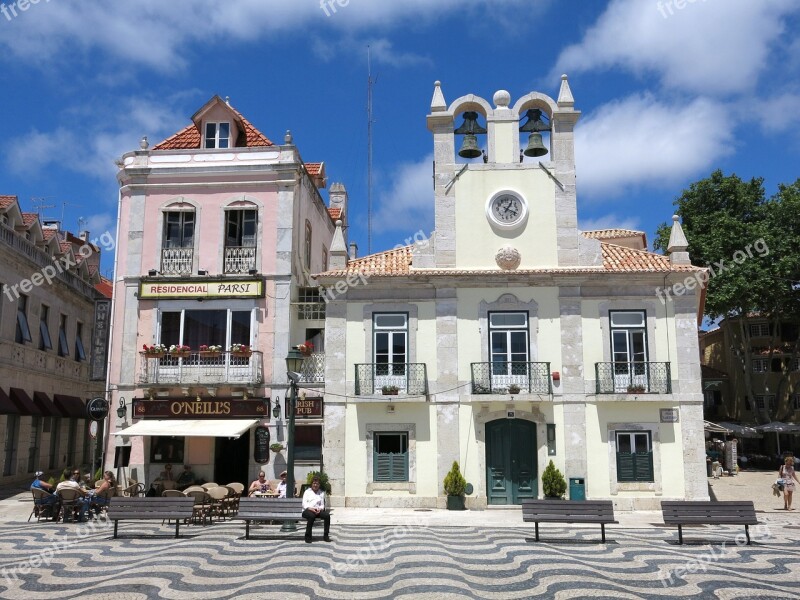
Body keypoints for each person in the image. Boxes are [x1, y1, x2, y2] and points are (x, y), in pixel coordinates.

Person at [301, 476, 331, 543]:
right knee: (311, 516)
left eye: (317, 484)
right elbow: (304, 504)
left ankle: (326, 535)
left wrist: (319, 509)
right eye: (314, 483)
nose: (315, 485)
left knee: (327, 516)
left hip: (317, 511)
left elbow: (322, 505)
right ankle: (308, 536)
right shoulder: (307, 492)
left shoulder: (321, 493)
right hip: (307, 510)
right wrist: (311, 509)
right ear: (311, 484)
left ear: (319, 485)